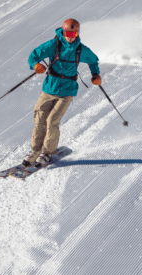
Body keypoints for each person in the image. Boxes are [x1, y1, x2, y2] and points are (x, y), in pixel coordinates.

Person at [23, 18, 101, 167]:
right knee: (39, 118)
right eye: (67, 32)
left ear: (77, 33)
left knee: (52, 121)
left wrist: (95, 75)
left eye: (73, 33)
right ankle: (35, 150)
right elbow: (33, 55)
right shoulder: (54, 45)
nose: (70, 36)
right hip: (49, 89)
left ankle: (47, 152)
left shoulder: (81, 50)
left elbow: (93, 61)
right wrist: (35, 65)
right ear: (63, 31)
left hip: (67, 91)